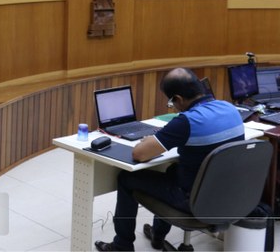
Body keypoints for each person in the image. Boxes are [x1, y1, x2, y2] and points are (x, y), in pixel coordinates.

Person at [94, 68, 244, 252]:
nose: (173, 107)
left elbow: (139, 154)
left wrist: (150, 141)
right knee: (172, 170)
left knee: (126, 178)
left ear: (178, 99)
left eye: (172, 102)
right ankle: (158, 236)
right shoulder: (230, 109)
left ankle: (122, 246)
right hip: (227, 197)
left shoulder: (186, 122)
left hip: (193, 201)